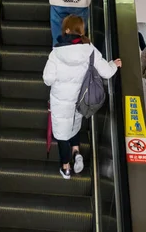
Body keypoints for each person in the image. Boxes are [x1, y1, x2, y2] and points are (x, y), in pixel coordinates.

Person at [43, 15, 121, 179]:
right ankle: (76, 151)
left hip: (61, 102)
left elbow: (48, 80)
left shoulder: (56, 53)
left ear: (66, 30)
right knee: (74, 124)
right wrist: (115, 64)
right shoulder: (90, 49)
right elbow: (106, 72)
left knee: (62, 135)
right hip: (81, 100)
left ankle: (66, 168)